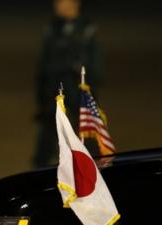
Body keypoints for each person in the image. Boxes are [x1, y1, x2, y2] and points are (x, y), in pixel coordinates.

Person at [33, 0, 101, 168]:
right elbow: (44, 61)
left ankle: (97, 170)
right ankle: (40, 170)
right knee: (48, 133)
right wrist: (42, 89)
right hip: (54, 90)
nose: (56, 5)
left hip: (78, 90)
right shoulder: (52, 28)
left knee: (87, 132)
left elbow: (94, 65)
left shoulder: (87, 29)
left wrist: (89, 90)